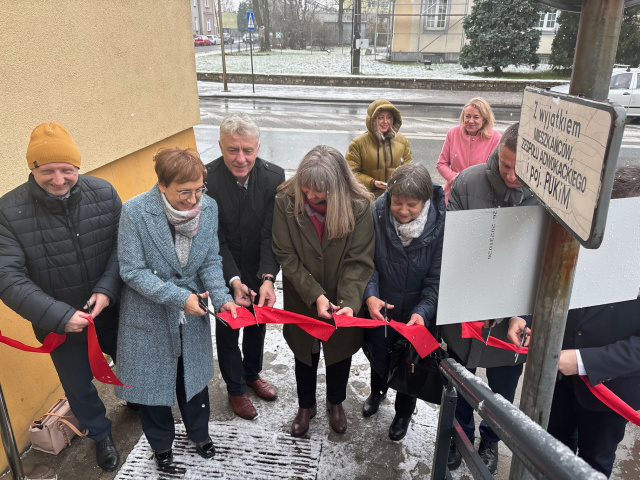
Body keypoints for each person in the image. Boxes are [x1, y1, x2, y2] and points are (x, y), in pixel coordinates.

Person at [0, 122, 122, 471]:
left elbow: (122, 248)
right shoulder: (7, 212)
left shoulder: (104, 193)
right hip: (58, 323)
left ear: (78, 168)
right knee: (78, 386)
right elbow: (7, 277)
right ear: (32, 168)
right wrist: (58, 316)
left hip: (110, 310)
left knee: (129, 362)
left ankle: (135, 401)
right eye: (48, 171)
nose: (58, 180)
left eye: (67, 170)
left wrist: (107, 290)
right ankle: (100, 434)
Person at [507, 165, 640, 478]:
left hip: (609, 390)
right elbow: (553, 279)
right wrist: (524, 316)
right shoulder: (588, 235)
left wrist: (581, 361)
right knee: (552, 449)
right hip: (558, 381)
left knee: (594, 463)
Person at [115, 147, 237, 468]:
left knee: (193, 381)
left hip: (193, 313)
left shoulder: (208, 208)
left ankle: (200, 434)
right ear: (162, 186)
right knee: (154, 386)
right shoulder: (135, 212)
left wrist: (223, 299)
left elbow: (210, 260)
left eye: (199, 189)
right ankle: (161, 445)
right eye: (185, 192)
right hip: (149, 315)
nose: (194, 199)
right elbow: (132, 271)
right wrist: (179, 297)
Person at [444, 122, 540, 474]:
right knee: (463, 378)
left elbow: (537, 262)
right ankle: (461, 434)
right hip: (467, 306)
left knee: (503, 387)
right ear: (497, 153)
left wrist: (514, 309)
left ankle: (490, 440)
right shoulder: (468, 182)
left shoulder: (543, 195)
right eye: (505, 165)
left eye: (521, 169)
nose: (512, 176)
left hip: (514, 313)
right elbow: (454, 247)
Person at [272, 145, 375, 437]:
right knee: (304, 353)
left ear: (338, 187)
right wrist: (315, 295)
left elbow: (359, 261)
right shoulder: (285, 201)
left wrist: (349, 303)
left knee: (339, 353)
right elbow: (285, 254)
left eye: (319, 192)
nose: (311, 197)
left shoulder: (358, 206)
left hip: (343, 297)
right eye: (306, 189)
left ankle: (336, 401)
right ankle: (306, 405)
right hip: (302, 294)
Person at [205, 114, 284, 420]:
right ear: (221, 147)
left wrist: (268, 278)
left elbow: (271, 233)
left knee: (257, 324)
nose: (241, 158)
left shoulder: (274, 177)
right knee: (228, 330)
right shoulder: (207, 180)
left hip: (258, 264)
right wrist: (233, 280)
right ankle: (235, 388)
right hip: (223, 268)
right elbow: (215, 238)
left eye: (248, 150)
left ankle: (252, 374)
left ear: (257, 147)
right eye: (232, 150)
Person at [361, 164, 445, 441]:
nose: (403, 210)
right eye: (397, 202)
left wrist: (424, 312)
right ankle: (377, 392)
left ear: (425, 201)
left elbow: (436, 279)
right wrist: (370, 295)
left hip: (417, 311)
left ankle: (403, 413)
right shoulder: (376, 212)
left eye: (412, 204)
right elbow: (367, 263)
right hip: (382, 306)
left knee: (411, 364)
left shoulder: (441, 225)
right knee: (378, 352)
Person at [436, 97, 501, 204]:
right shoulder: (453, 133)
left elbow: (495, 171)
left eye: (476, 117)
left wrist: (470, 182)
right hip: (453, 193)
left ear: (484, 119)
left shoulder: (495, 137)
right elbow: (441, 164)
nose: (471, 121)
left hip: (480, 195)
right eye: (467, 116)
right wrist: (455, 178)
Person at [346, 99, 413, 198]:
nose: (385, 122)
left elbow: (409, 170)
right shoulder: (358, 143)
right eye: (381, 118)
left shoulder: (402, 141)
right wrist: (372, 183)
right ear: (372, 120)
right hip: (368, 199)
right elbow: (350, 174)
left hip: (394, 199)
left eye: (388, 117)